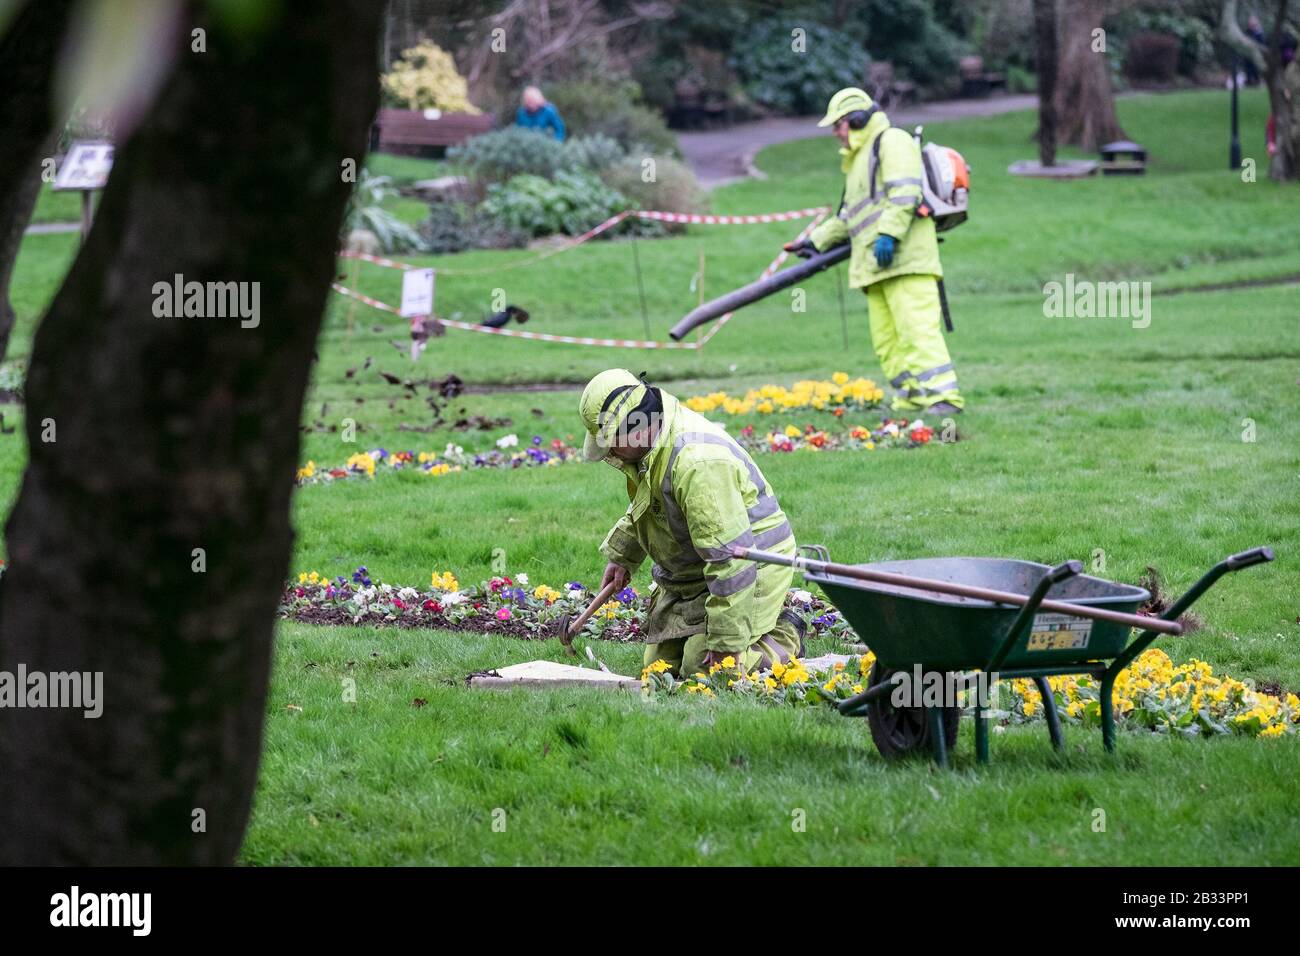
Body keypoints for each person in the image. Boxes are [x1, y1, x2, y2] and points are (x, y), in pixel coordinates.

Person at [579, 369, 804, 677]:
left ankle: (785, 633)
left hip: (754, 566)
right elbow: (649, 503)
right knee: (659, 669)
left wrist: (727, 644)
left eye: (612, 443)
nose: (612, 454)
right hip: (699, 569)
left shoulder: (699, 464)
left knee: (709, 669)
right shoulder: (651, 444)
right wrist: (623, 557)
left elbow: (732, 563)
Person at [785, 87, 963, 415]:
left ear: (856, 119)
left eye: (838, 125)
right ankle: (912, 397)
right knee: (887, 342)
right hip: (875, 266)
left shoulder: (891, 141)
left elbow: (905, 191)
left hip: (907, 260)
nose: (836, 134)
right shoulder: (858, 160)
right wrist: (816, 242)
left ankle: (943, 400)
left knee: (917, 333)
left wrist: (889, 236)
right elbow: (849, 217)